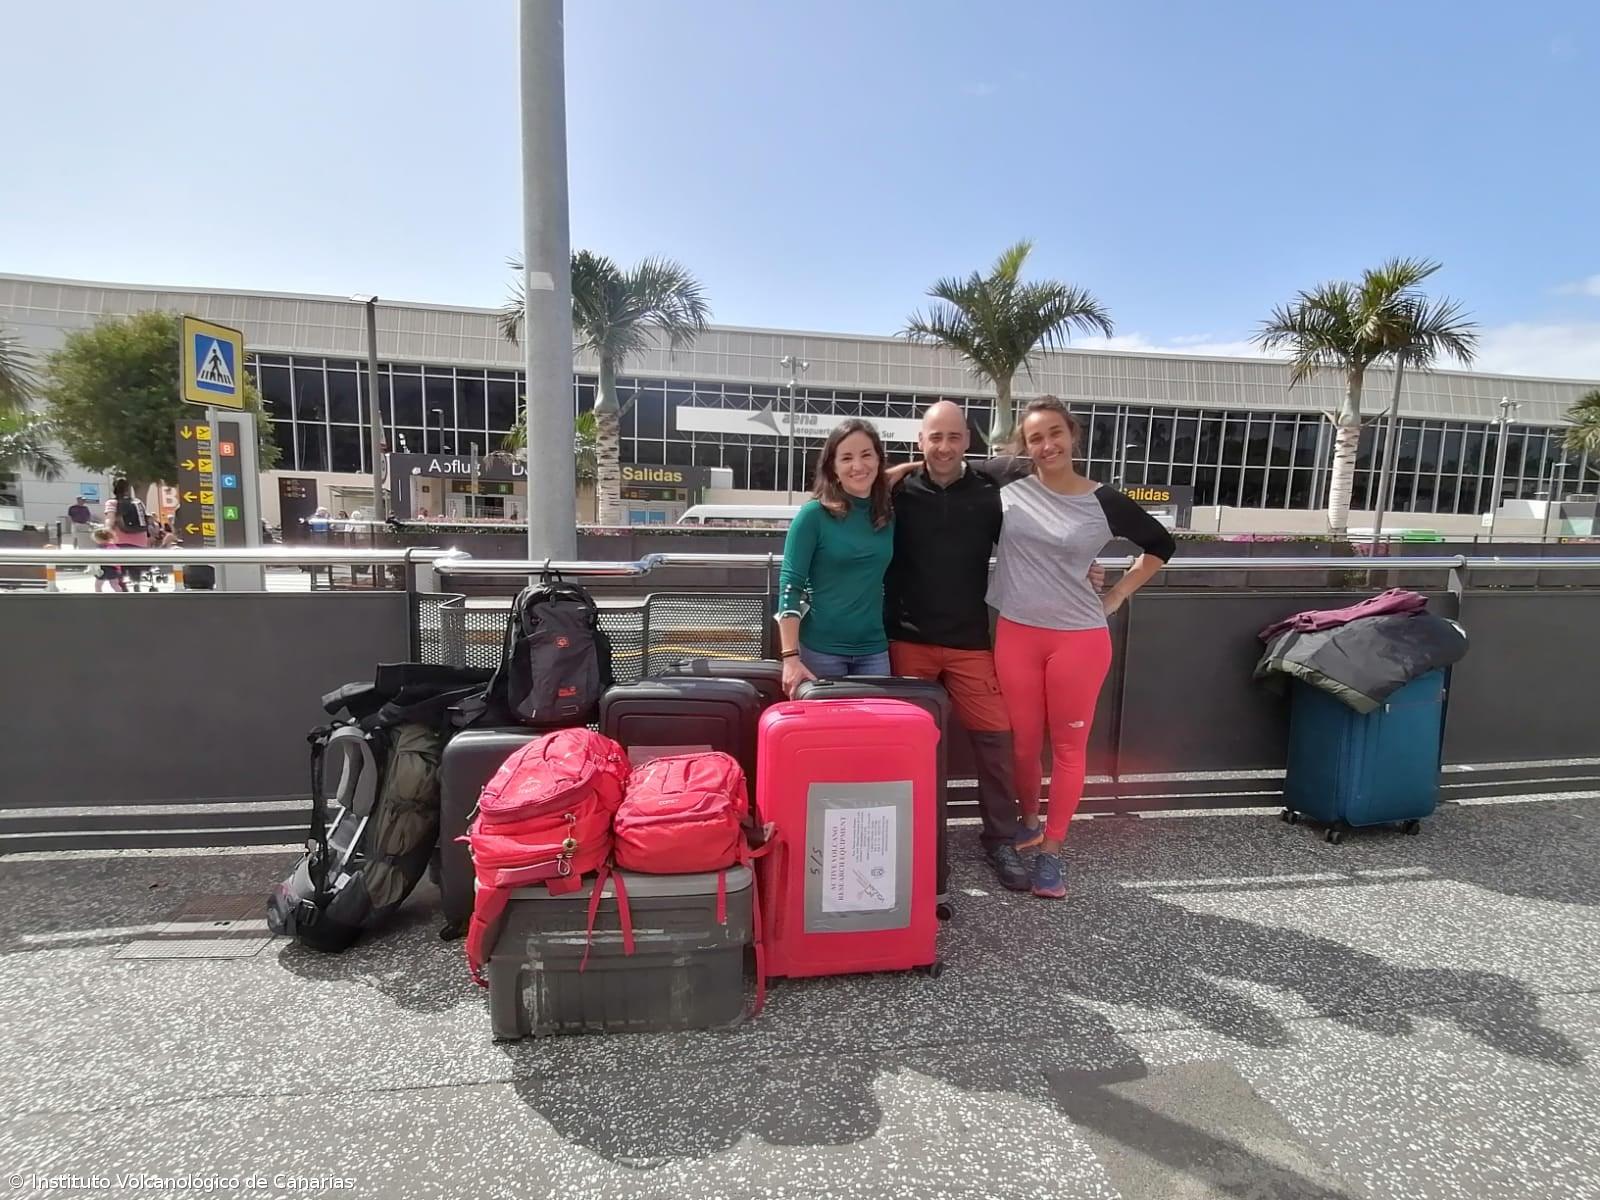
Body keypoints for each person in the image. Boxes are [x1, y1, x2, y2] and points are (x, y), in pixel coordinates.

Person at [882, 401, 1104, 891]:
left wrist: (1085, 569)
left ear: (968, 441)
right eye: (935, 437)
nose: (944, 447)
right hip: (906, 640)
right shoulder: (896, 490)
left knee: (997, 743)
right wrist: (896, 470)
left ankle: (1001, 839)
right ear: (920, 440)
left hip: (971, 642)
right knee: (906, 747)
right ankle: (908, 839)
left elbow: (1040, 542)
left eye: (954, 437)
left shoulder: (990, 492)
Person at [988, 397, 1175, 899]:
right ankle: (1029, 823)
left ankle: (1052, 852)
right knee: (1024, 745)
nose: (1047, 445)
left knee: (1068, 749)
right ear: (1025, 446)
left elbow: (1161, 545)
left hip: (1079, 639)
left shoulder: (1104, 500)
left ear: (1072, 435)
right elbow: (946, 470)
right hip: (1016, 632)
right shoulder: (1009, 490)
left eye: (1055, 433)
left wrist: (1114, 594)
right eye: (1035, 438)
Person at [776, 419, 895, 696]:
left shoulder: (885, 516)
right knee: (825, 737)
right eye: (847, 458)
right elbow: (790, 585)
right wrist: (790, 658)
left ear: (879, 460)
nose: (858, 466)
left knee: (874, 735)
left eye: (867, 455)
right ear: (833, 467)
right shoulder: (813, 516)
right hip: (821, 652)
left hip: (874, 651)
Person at [102, 478, 149, 590]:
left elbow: (110, 519)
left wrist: (106, 531)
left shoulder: (112, 503)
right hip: (140, 542)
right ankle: (136, 582)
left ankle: (122, 587)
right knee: (135, 566)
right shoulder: (138, 502)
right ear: (128, 489)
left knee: (119, 568)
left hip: (120, 542)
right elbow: (147, 520)